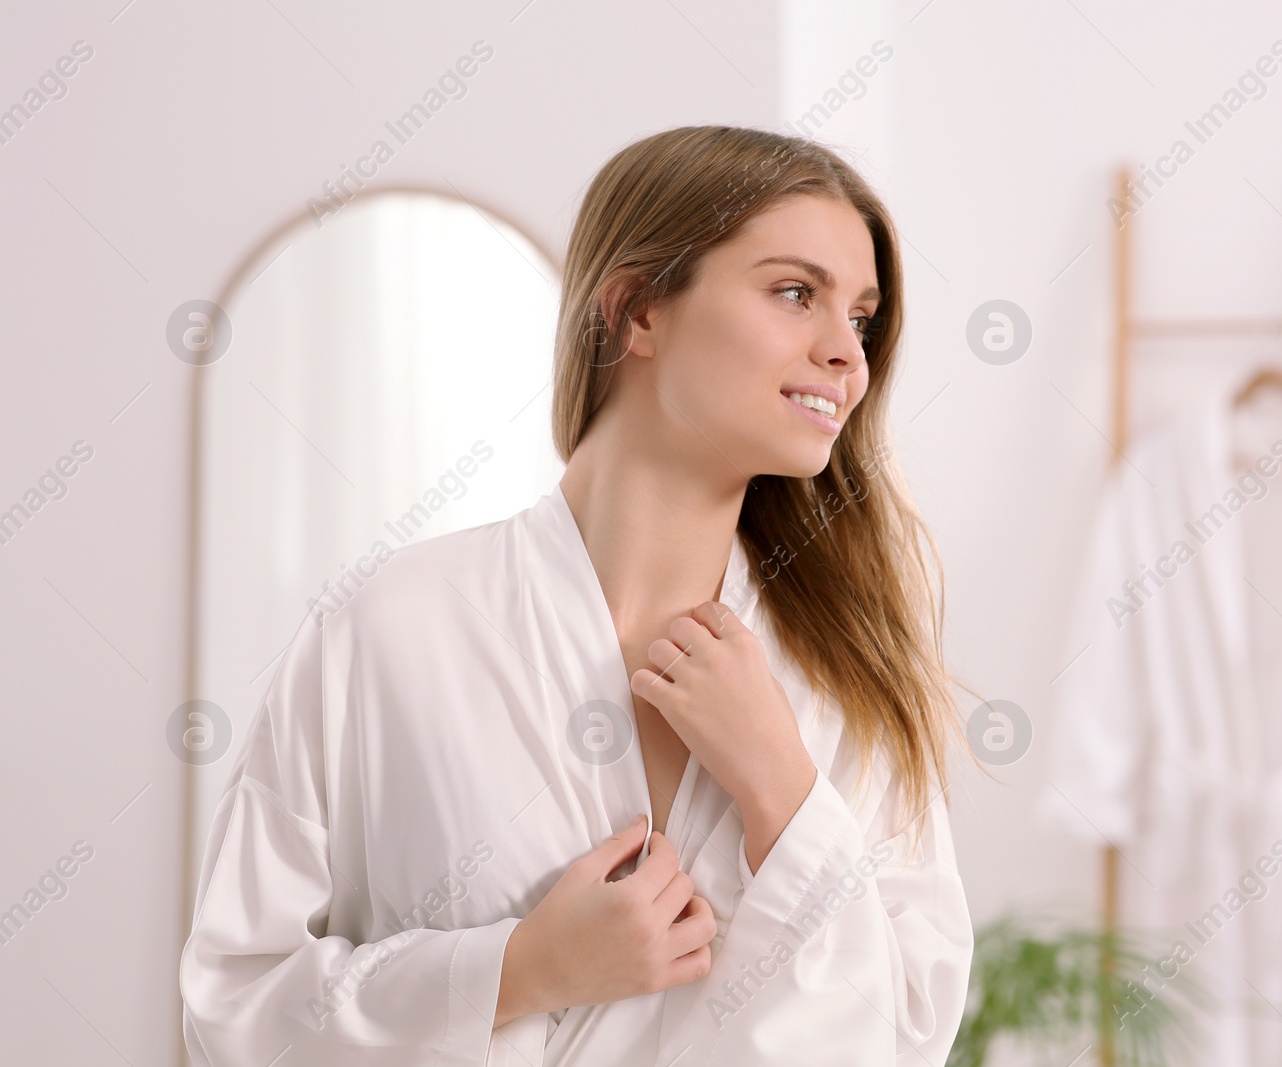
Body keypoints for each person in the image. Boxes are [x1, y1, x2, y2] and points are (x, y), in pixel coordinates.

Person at [179, 125, 975, 1066]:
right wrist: (517, 971)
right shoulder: (394, 627)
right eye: (796, 292)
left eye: (863, 316)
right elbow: (234, 1003)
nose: (849, 353)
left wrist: (781, 789)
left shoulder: (847, 673)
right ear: (637, 309)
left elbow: (913, 1028)